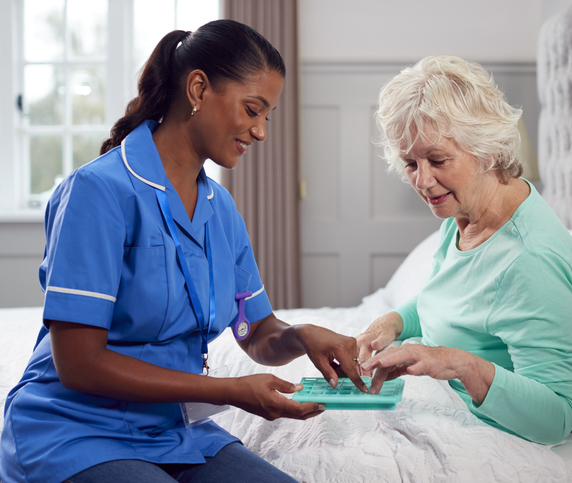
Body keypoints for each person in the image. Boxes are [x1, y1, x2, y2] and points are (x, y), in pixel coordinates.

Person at [0, 20, 365, 483]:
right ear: (198, 88)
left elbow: (253, 332)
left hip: (173, 430)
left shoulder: (221, 208)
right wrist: (229, 390)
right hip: (74, 432)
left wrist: (300, 335)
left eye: (266, 117)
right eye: (252, 110)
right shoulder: (97, 192)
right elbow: (78, 363)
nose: (261, 132)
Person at [356, 56, 572, 446]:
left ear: (489, 150)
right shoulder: (467, 210)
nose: (423, 181)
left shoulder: (529, 260)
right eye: (411, 163)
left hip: (484, 429)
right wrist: (394, 322)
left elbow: (557, 417)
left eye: (438, 160)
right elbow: (454, 300)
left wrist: (458, 363)